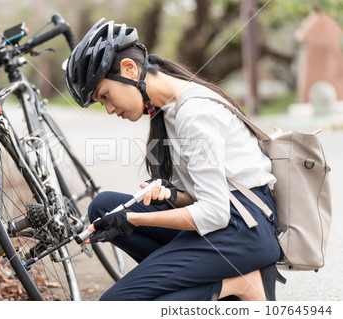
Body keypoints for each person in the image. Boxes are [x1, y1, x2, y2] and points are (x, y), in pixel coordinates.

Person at [65, 19, 283, 301]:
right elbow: (197, 197)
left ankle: (241, 285)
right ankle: (193, 284)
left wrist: (132, 219)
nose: (108, 109)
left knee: (114, 303)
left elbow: (215, 213)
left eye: (105, 96)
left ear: (129, 70)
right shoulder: (168, 112)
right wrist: (169, 194)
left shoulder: (195, 113)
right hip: (229, 222)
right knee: (103, 207)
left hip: (243, 231)